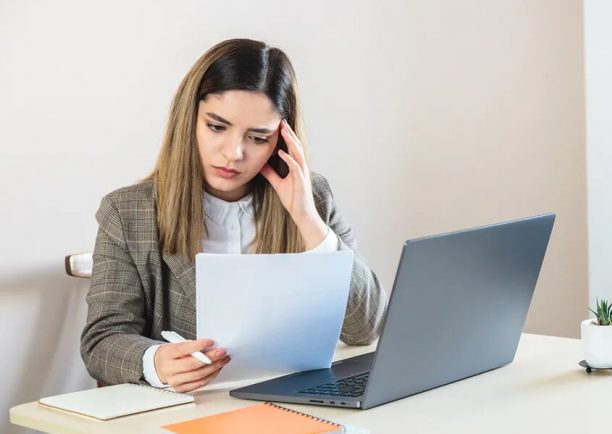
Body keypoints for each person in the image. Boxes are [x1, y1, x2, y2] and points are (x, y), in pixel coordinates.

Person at [80, 38, 387, 393]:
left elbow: (365, 328)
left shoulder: (313, 196)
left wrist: (307, 219)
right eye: (216, 127)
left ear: (281, 142)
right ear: (189, 120)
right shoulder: (129, 212)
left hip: (287, 404)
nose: (234, 153)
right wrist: (155, 361)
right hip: (188, 410)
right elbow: (101, 342)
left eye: (258, 137)